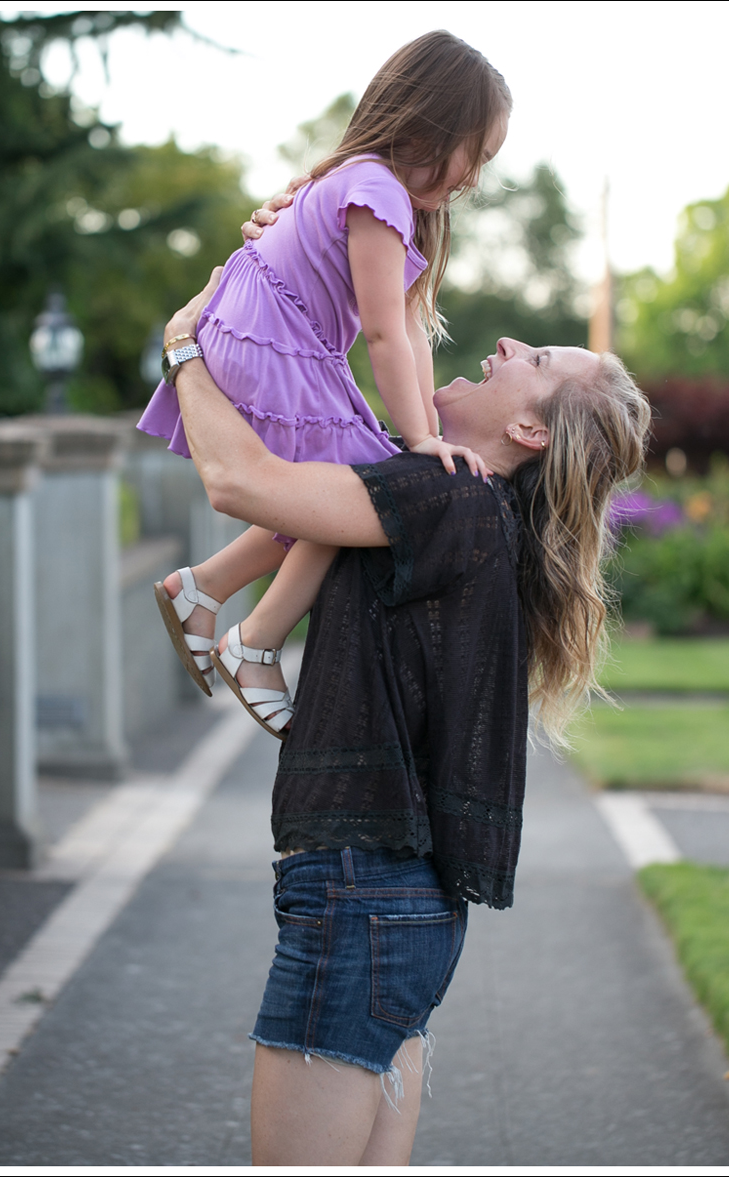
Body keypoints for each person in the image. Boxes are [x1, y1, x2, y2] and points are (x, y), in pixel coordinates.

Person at [158, 264, 652, 1165]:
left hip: (361, 897)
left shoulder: (452, 498)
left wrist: (184, 348)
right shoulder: (460, 500)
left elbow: (240, 480)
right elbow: (327, 410)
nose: (504, 342)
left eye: (534, 357)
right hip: (399, 908)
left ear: (529, 427)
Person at [138, 30, 510, 737]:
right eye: (478, 155)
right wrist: (423, 440)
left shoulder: (373, 190)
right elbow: (379, 336)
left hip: (263, 329)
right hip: (267, 336)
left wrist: (419, 430)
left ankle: (205, 588)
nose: (474, 178)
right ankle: (255, 641)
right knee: (368, 490)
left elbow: (407, 330)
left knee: (352, 486)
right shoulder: (376, 192)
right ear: (437, 123)